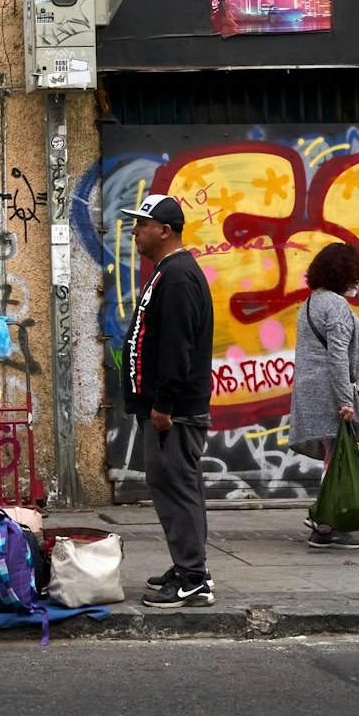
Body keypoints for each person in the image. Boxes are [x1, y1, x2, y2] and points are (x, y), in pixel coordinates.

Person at [121, 193, 216, 608]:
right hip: (165, 408)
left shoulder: (177, 276)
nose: (136, 231)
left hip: (172, 413)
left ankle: (193, 578)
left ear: (165, 229)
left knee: (175, 487)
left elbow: (177, 347)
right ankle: (188, 566)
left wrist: (164, 404)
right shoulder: (168, 272)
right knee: (175, 485)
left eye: (142, 224)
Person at [291, 241, 359, 550]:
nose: (357, 283)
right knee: (354, 453)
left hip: (312, 392)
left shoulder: (311, 302)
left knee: (335, 456)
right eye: (355, 276)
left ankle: (326, 523)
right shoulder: (336, 306)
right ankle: (325, 523)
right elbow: (337, 356)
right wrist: (345, 400)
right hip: (329, 393)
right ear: (344, 275)